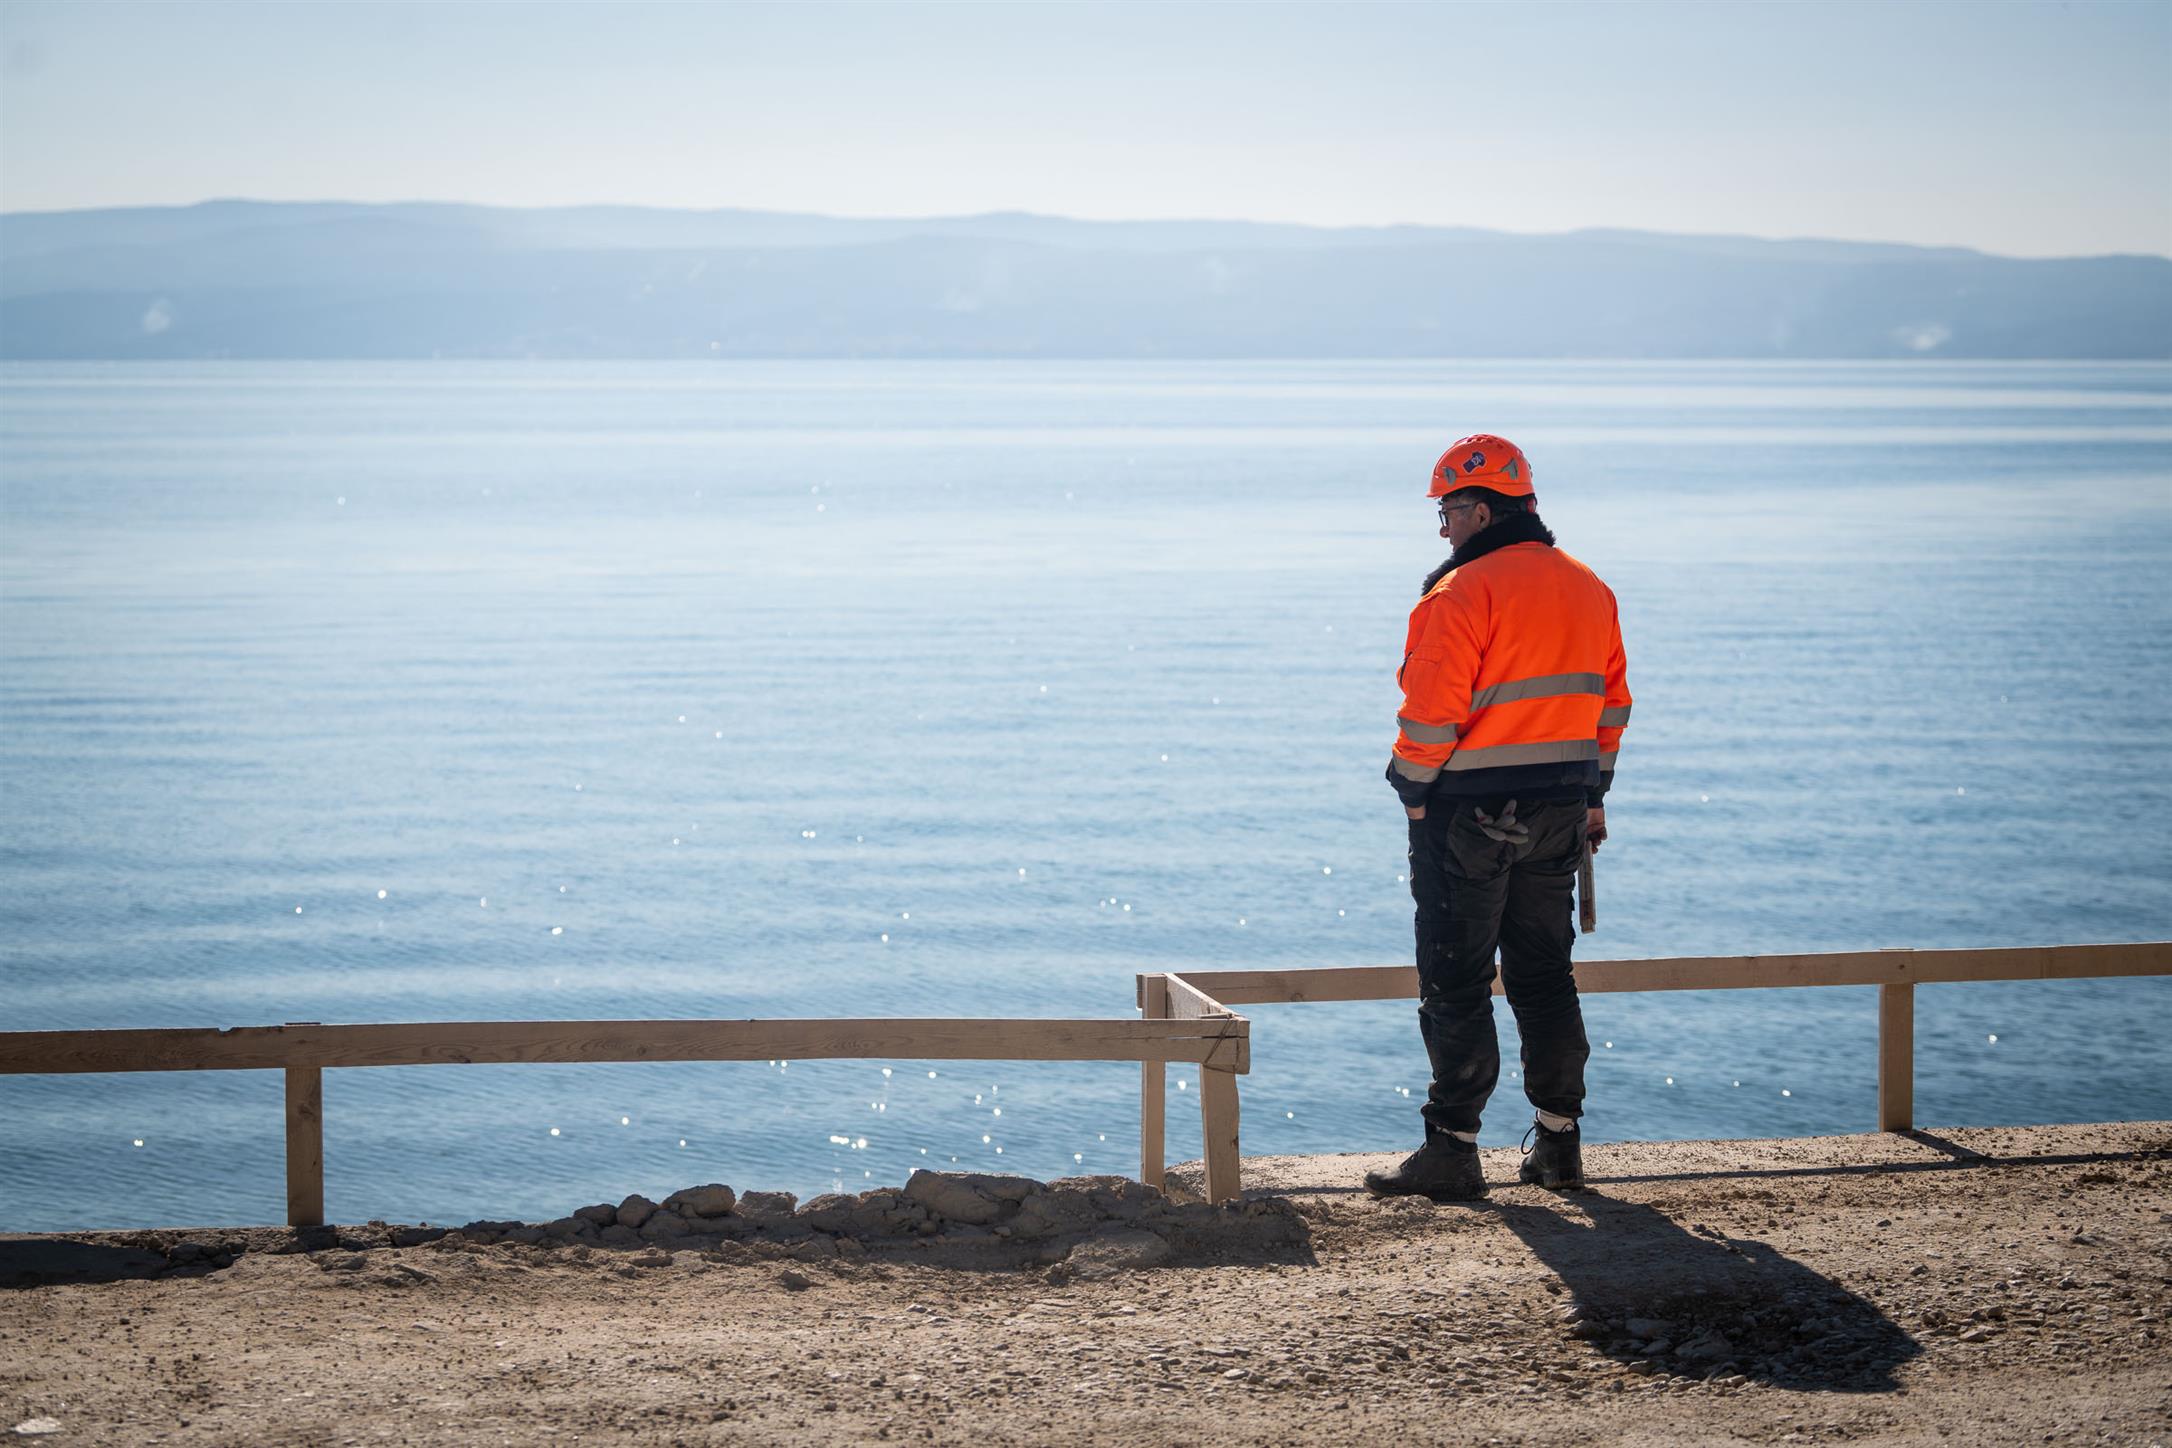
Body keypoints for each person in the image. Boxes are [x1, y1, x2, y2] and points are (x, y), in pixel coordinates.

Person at [1364, 434, 1630, 1202]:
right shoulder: (1588, 587)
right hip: (1558, 814)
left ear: (1479, 510)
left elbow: (1432, 714)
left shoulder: (1459, 594)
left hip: (1468, 817)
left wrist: (1412, 789)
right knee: (1546, 978)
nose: (1442, 529)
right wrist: (1591, 799)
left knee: (1456, 980)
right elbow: (1611, 705)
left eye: (1446, 513)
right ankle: (1558, 1144)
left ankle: (1450, 1150)